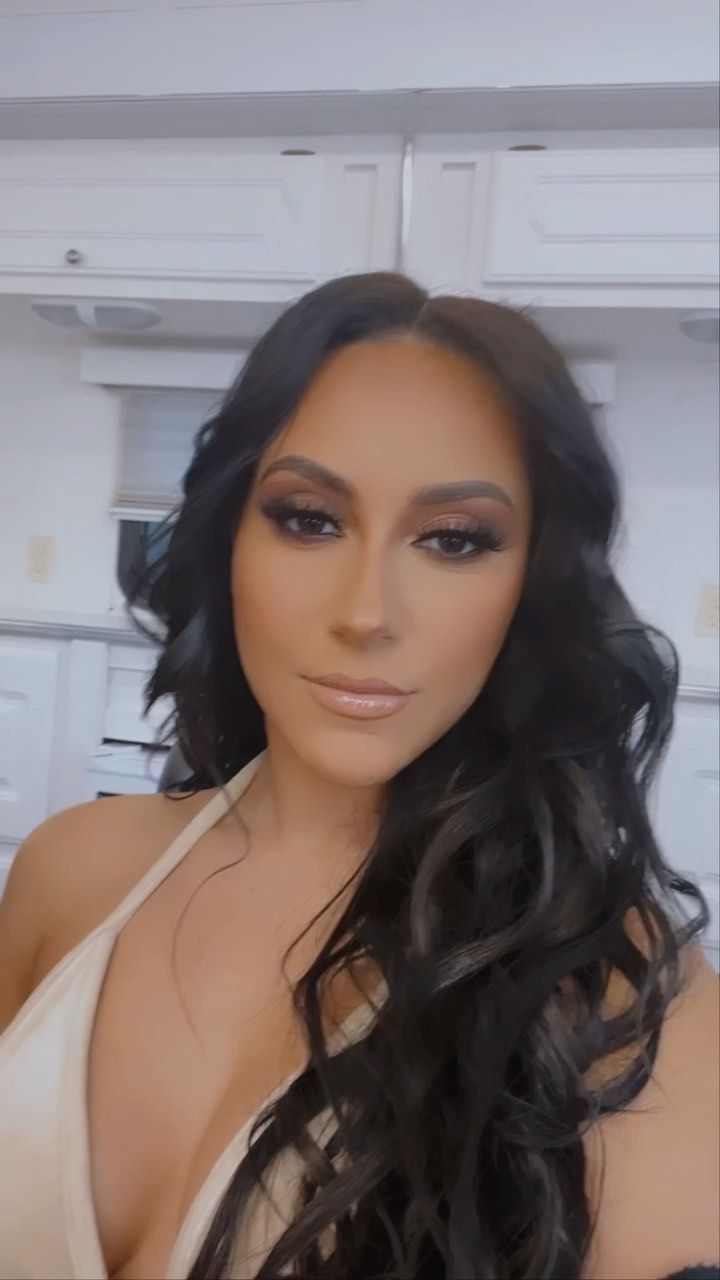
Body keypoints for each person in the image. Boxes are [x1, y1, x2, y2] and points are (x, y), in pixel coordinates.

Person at [0, 273, 717, 1280]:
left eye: (453, 539)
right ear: (228, 536)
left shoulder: (628, 1008)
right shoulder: (69, 872)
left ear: (534, 584)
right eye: (309, 518)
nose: (367, 612)